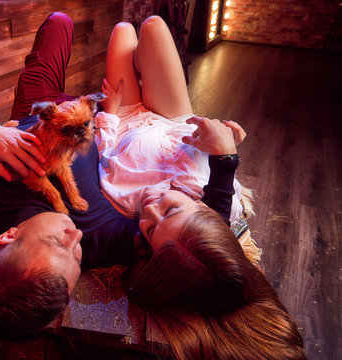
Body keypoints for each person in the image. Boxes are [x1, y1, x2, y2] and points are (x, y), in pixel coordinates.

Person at [98, 16, 306, 359]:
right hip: (173, 120)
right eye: (171, 208)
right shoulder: (218, 209)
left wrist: (110, 113)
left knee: (122, 30)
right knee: (152, 27)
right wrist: (226, 141)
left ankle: (135, 70)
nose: (150, 204)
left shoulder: (125, 201)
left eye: (148, 227)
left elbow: (105, 155)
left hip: (131, 117)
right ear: (205, 209)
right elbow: (223, 179)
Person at [0, 12, 140, 339]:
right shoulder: (96, 237)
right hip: (83, 115)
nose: (75, 237)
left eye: (56, 243)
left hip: (33, 111)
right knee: (130, 39)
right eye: (77, 260)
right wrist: (225, 159)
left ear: (8, 236)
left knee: (60, 21)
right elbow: (182, 241)